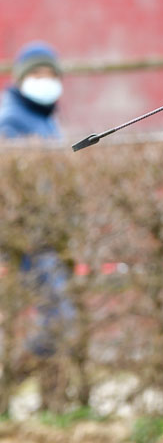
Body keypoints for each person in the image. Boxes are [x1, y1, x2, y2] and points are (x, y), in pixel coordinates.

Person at [0, 41, 74, 359]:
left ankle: (39, 376)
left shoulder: (43, 116)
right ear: (21, 78)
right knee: (58, 317)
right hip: (30, 236)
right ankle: (28, 369)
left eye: (50, 74)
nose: (45, 81)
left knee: (58, 315)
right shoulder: (11, 120)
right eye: (37, 74)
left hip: (47, 234)